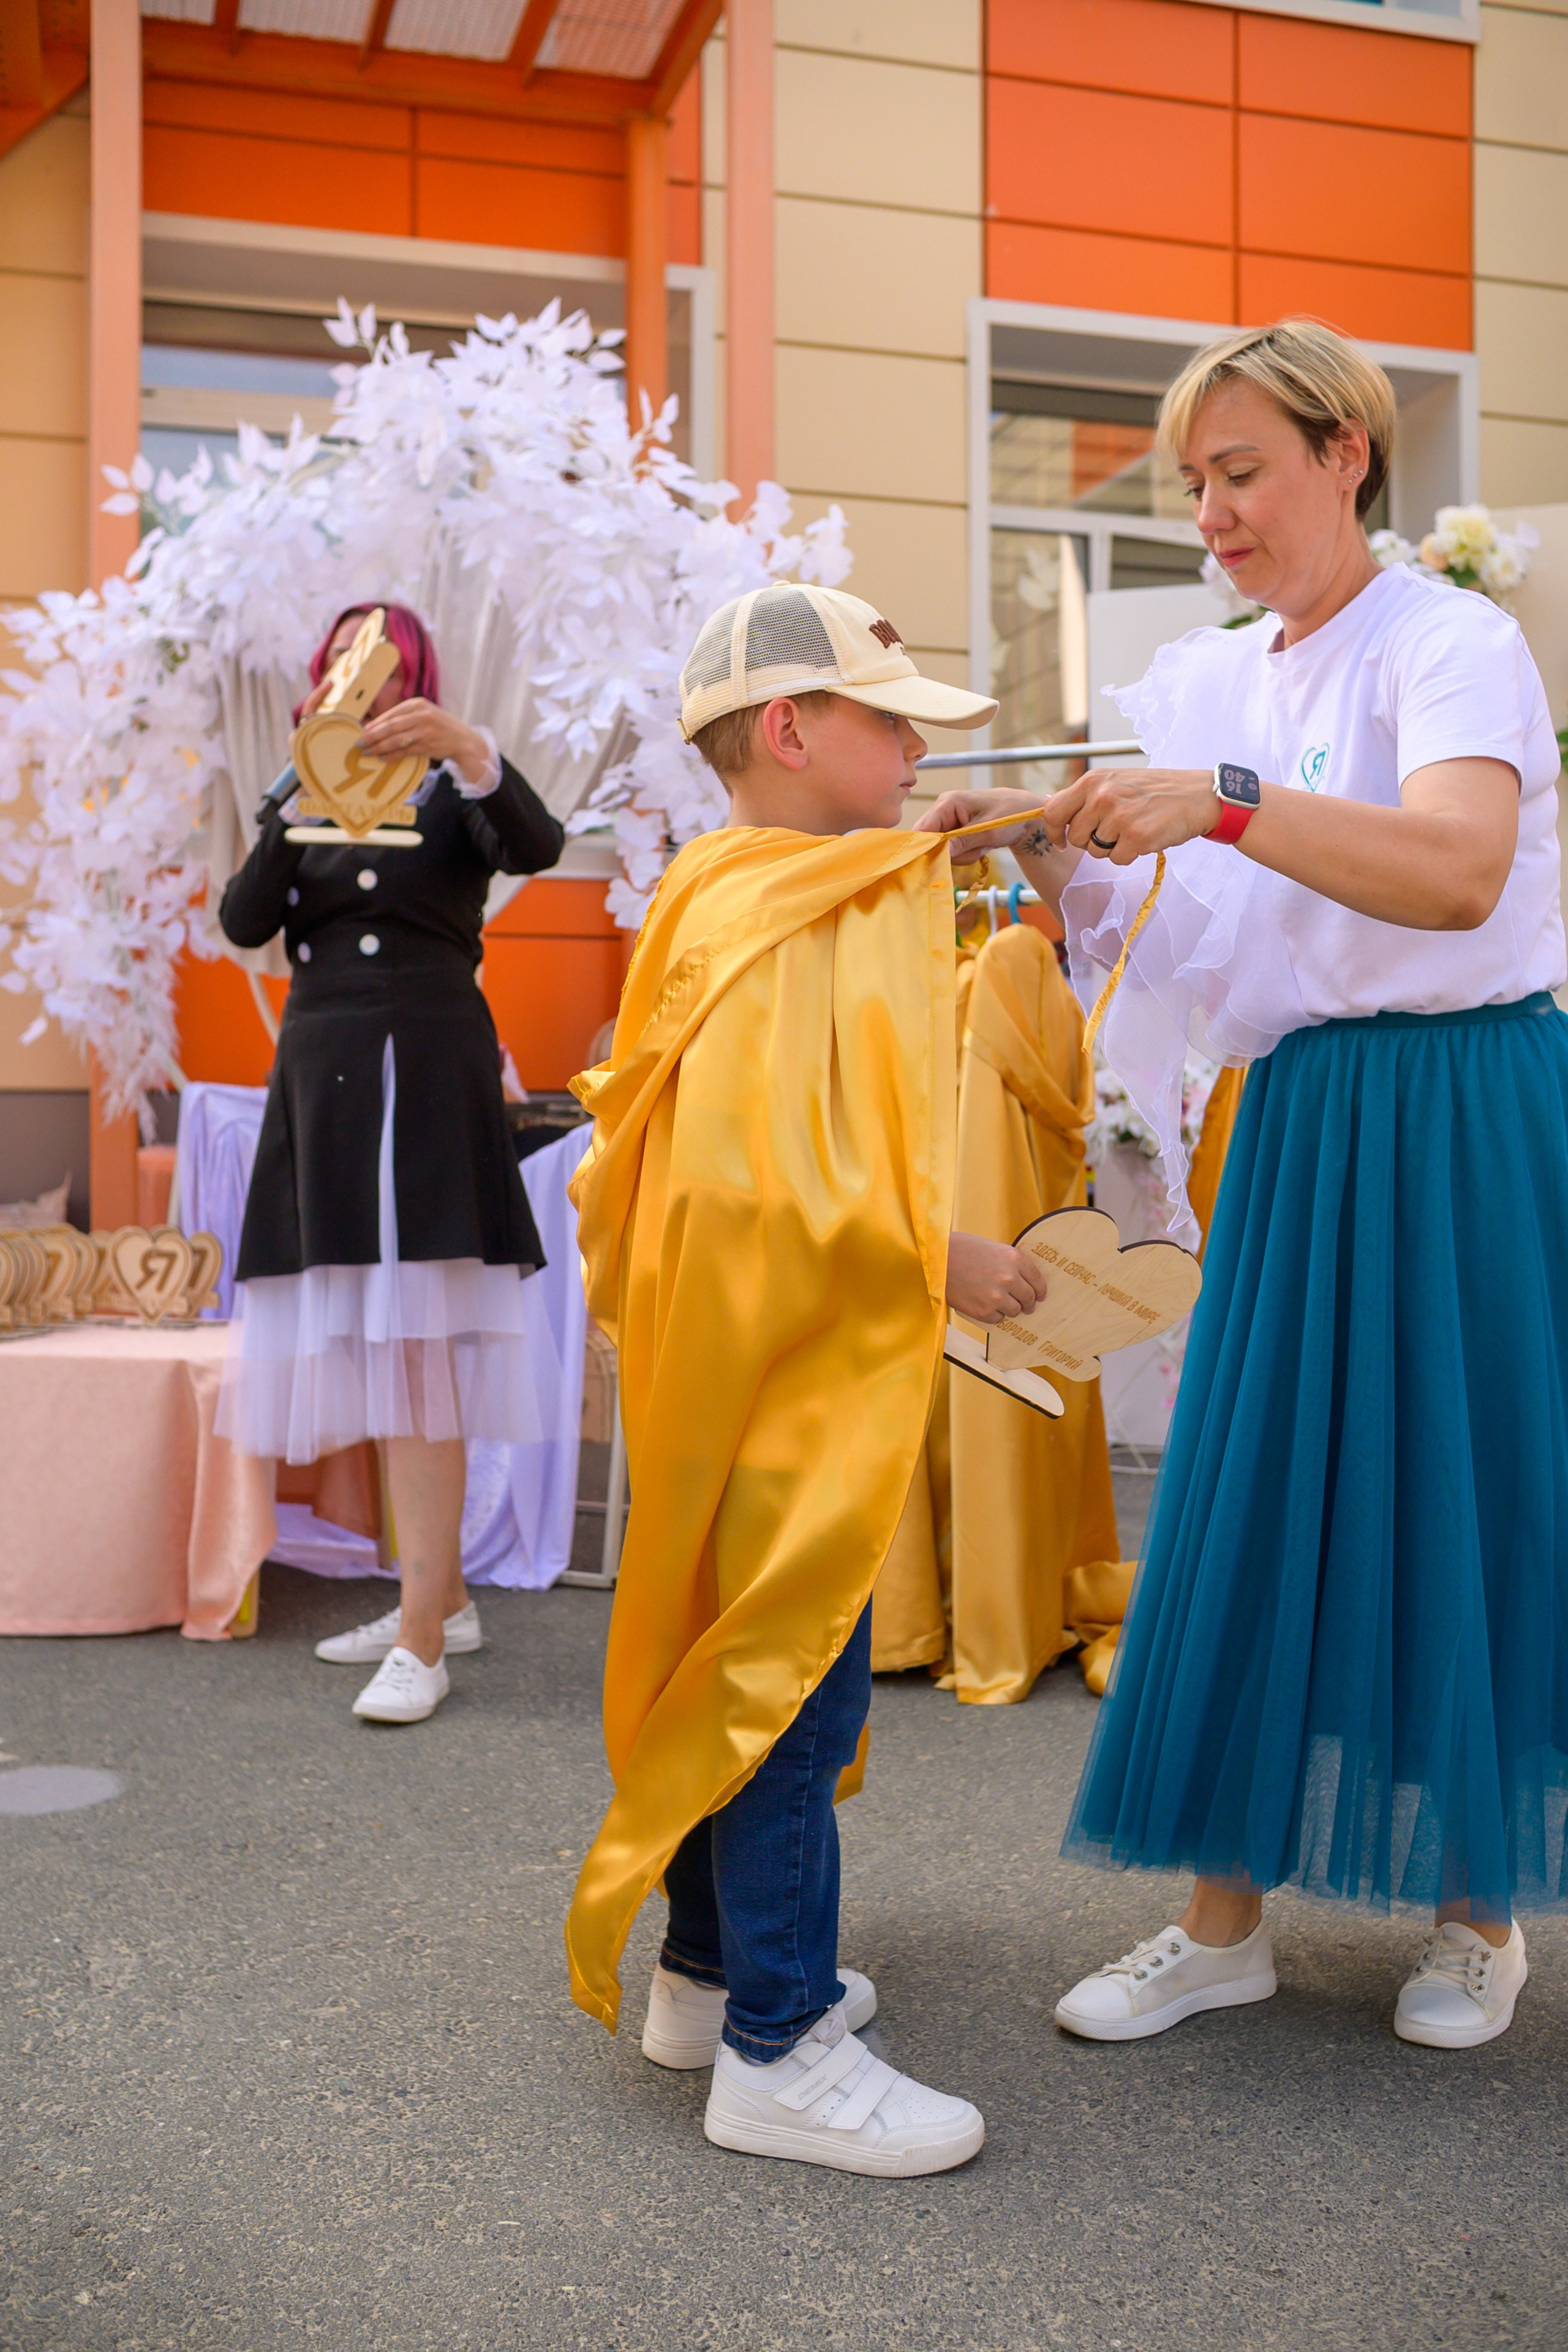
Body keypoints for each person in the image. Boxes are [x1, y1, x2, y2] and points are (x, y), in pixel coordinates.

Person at [919, 317, 1567, 2052]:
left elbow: (1455, 871)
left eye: (1240, 470)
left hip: (1462, 1101)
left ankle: (1480, 1918)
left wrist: (1215, 801)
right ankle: (1222, 1923)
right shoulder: (1210, 680)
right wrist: (1060, 857)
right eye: (1193, 481)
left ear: (1350, 453)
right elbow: (1187, 950)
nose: (1209, 509)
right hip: (1293, 1111)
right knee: (1251, 1485)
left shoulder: (1451, 640)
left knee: (1462, 1481)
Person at [565, 582, 1047, 2174]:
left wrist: (967, 841)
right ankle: (777, 2050)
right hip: (782, 1370)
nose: (916, 752)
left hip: (735, 1361)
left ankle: (709, 1978)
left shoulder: (731, 888)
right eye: (890, 721)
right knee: (781, 1679)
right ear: (790, 728)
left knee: (736, 1657)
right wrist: (943, 1261)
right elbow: (762, 1179)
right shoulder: (779, 905)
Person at [218, 603, 565, 1724]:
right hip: (326, 1082)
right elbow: (242, 918)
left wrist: (470, 748)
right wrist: (290, 794)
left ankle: (424, 1637)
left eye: (377, 678)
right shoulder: (303, 791)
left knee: (416, 1349)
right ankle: (443, 1596)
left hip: (424, 1076)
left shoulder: (452, 795)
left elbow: (538, 845)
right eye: (338, 676)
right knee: (379, 1343)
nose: (359, 697)